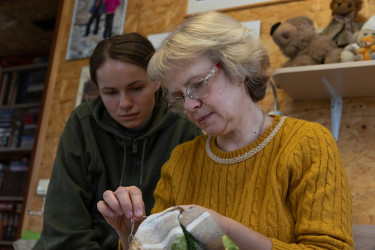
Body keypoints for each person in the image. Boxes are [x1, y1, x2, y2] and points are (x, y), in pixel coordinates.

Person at [97, 11, 353, 249]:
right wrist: (129, 232)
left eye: (197, 84)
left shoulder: (307, 143)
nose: (189, 105)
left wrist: (223, 229)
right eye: (179, 96)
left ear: (238, 68)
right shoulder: (181, 161)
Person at [33, 33, 202, 250]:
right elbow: (65, 227)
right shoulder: (82, 125)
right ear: (97, 90)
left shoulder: (184, 130)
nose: (125, 103)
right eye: (110, 92)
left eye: (136, 88)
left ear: (156, 81)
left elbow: (185, 225)